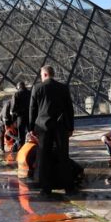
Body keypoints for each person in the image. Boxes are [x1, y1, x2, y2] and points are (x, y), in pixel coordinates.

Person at [28, 65, 75, 195]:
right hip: (60, 126)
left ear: (44, 74)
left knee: (43, 156)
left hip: (43, 126)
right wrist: (70, 127)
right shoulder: (63, 88)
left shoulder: (37, 88)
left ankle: (45, 187)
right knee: (63, 156)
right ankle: (68, 186)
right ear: (53, 74)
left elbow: (32, 109)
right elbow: (70, 109)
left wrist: (31, 128)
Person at [10, 81, 31, 152]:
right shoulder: (30, 93)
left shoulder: (17, 94)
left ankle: (21, 150)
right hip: (30, 116)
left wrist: (13, 119)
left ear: (18, 87)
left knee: (21, 135)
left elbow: (13, 108)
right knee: (31, 133)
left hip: (20, 117)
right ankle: (31, 149)